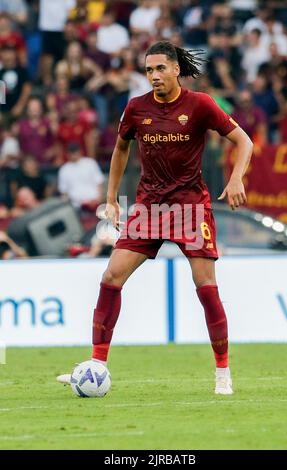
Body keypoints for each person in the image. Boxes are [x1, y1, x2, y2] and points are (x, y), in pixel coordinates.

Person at [57, 41, 253, 395]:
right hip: (149, 208)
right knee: (111, 276)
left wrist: (236, 177)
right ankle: (95, 366)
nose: (154, 76)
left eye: (160, 68)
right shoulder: (136, 108)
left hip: (190, 208)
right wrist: (111, 199)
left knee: (205, 288)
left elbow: (244, 141)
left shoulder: (200, 104)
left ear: (176, 69)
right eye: (149, 70)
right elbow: (120, 149)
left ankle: (222, 373)